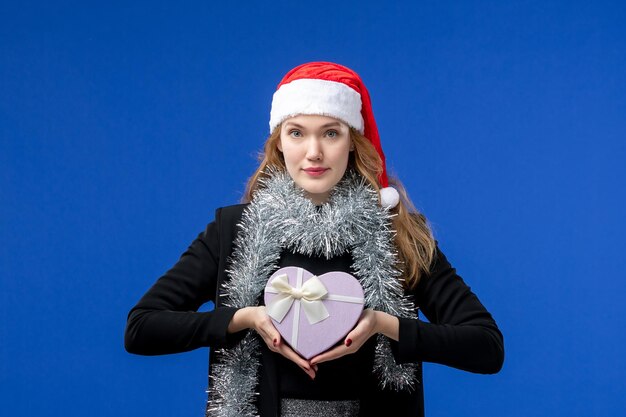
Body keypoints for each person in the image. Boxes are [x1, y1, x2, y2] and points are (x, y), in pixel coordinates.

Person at [124, 62, 504, 417]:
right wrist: (245, 319)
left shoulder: (396, 233)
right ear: (279, 144)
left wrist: (382, 324)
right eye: (297, 133)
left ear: (353, 142)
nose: (314, 152)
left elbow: (487, 347)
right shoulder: (232, 231)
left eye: (331, 133)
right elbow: (142, 328)